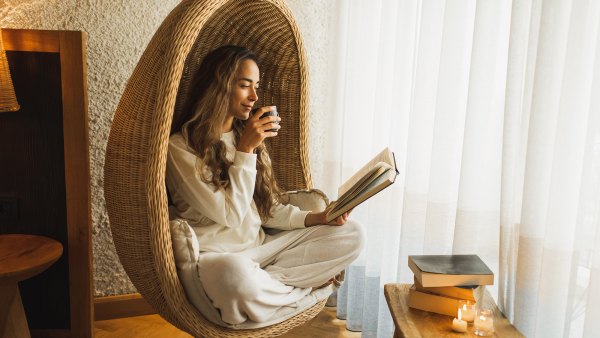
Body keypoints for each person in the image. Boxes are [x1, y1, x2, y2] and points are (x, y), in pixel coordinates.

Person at [166, 45, 364, 325]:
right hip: (220, 258)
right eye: (245, 85)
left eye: (256, 86)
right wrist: (245, 151)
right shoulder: (181, 148)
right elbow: (231, 215)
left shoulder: (243, 136)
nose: (255, 97)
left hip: (264, 251)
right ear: (218, 86)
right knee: (233, 277)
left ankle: (266, 292)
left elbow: (266, 209)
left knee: (354, 234)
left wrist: (317, 218)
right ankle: (300, 292)